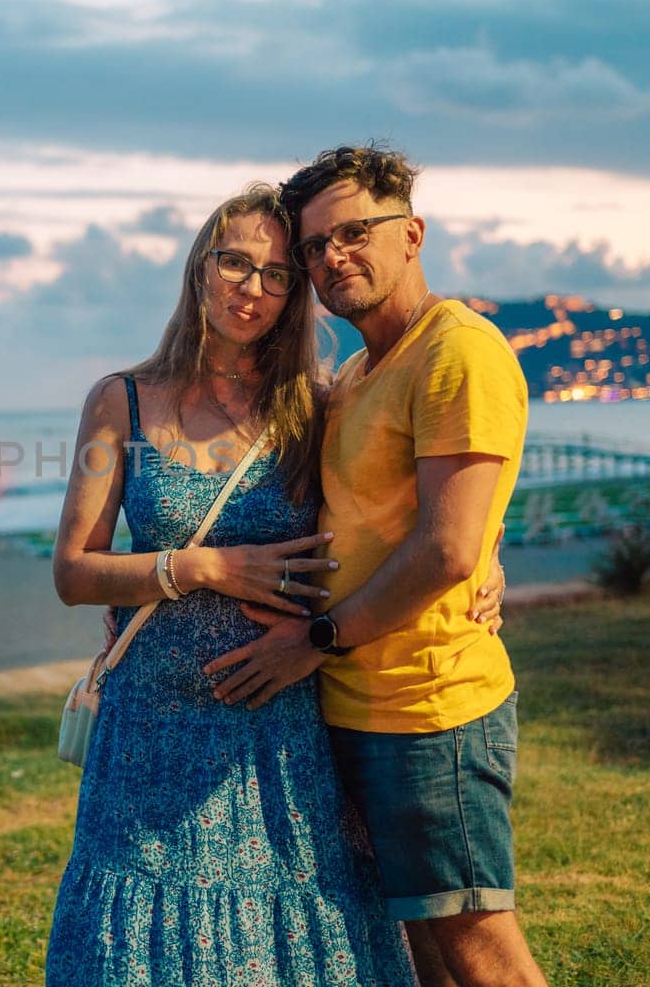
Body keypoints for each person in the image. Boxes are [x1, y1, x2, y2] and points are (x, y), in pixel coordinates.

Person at [45, 182, 499, 986]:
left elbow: (410, 507)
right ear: (199, 267)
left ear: (295, 296)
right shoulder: (118, 402)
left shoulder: (314, 408)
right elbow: (74, 572)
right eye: (234, 262)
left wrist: (489, 551)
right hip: (149, 726)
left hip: (279, 721)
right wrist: (203, 566)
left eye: (279, 274)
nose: (252, 288)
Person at [204, 145, 547, 987]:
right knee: (423, 948)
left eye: (355, 232)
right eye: (316, 246)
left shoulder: (455, 350)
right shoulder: (356, 375)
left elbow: (447, 545)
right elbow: (384, 518)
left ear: (412, 234)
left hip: (431, 707)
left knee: (477, 945)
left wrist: (315, 638)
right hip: (361, 710)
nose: (332, 257)